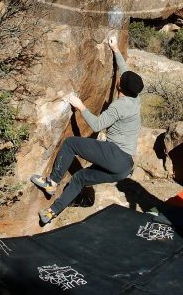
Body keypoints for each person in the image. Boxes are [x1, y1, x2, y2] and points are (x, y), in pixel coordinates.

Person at [30, 35, 143, 225]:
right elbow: (125, 71)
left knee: (70, 144)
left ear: (119, 85)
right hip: (124, 167)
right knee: (81, 177)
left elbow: (98, 125)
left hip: (116, 154)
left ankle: (51, 182)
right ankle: (51, 213)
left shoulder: (119, 106)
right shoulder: (135, 99)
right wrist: (115, 50)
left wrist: (80, 106)